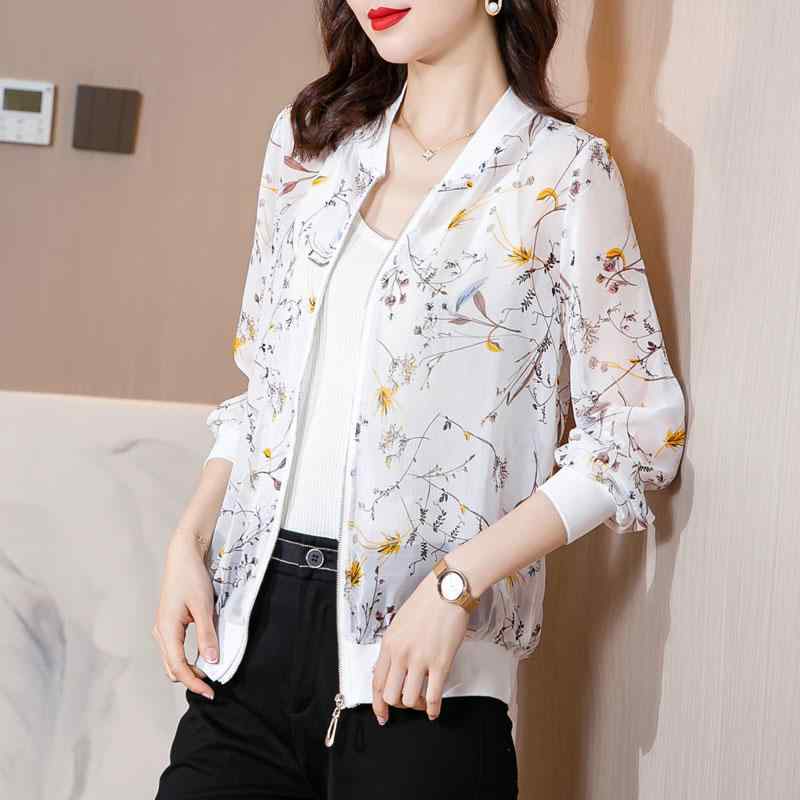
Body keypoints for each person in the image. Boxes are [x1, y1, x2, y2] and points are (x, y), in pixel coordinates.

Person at [153, 1, 687, 797]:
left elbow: (636, 436)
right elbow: (265, 390)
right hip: (247, 646)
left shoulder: (561, 174)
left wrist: (456, 583)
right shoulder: (308, 147)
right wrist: (189, 539)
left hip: (429, 677)